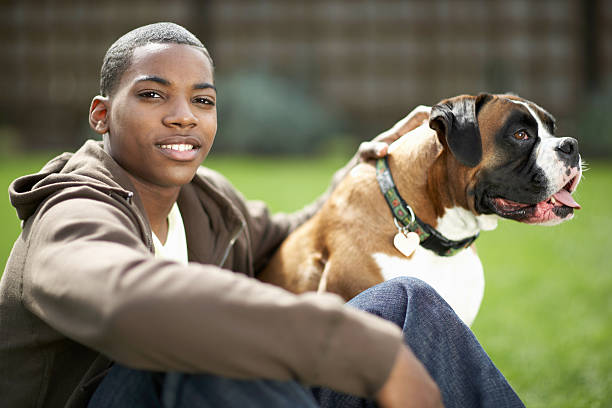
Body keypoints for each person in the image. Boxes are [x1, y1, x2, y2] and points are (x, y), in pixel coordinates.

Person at [0, 22, 524, 408]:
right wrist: (350, 344)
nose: (183, 115)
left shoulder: (208, 202)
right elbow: (128, 302)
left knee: (407, 301)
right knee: (204, 357)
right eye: (152, 94)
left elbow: (293, 234)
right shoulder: (71, 212)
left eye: (202, 101)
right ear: (101, 115)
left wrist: (367, 172)